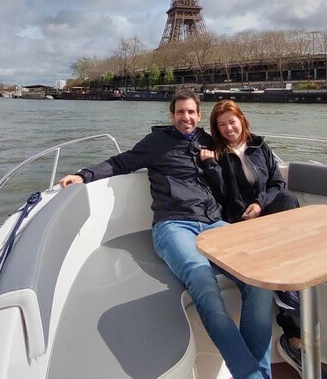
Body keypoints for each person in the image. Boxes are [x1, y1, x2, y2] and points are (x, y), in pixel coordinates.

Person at [59, 90, 273, 379]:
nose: (186, 117)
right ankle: (252, 375)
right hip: (173, 225)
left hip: (213, 223)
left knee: (258, 280)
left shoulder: (208, 143)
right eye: (180, 112)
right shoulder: (156, 142)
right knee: (203, 283)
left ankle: (258, 371)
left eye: (191, 112)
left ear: (199, 115)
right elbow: (122, 162)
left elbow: (232, 177)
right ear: (172, 116)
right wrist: (84, 175)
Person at [200, 99, 311, 378]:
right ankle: (291, 321)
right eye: (221, 125)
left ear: (242, 119)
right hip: (240, 222)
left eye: (232, 121)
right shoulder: (218, 155)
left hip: (265, 215)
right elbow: (221, 196)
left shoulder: (261, 147)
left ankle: (288, 291)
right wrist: (211, 167)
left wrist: (260, 204)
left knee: (287, 198)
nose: (228, 129)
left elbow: (277, 184)